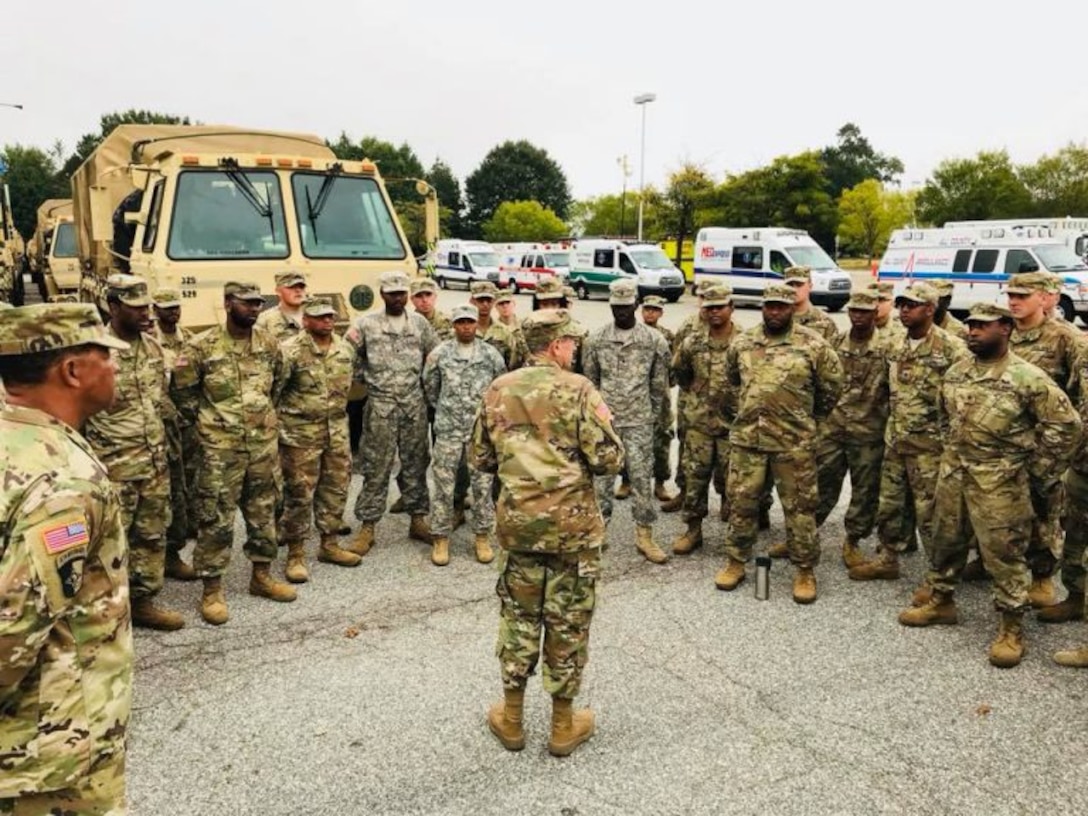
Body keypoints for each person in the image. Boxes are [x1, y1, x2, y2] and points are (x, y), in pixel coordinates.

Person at [471, 309, 624, 758]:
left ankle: (513, 719)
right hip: (571, 530)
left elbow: (479, 457)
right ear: (555, 345)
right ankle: (561, 726)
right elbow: (608, 459)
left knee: (519, 619)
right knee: (568, 620)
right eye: (571, 343)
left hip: (519, 528)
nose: (574, 350)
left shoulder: (500, 387)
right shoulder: (578, 390)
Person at [0, 303, 133, 814]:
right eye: (105, 355)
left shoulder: (16, 441)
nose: (117, 365)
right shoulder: (64, 481)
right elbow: (11, 632)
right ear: (73, 370)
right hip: (50, 759)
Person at [899, 302, 1081, 668]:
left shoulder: (1027, 377)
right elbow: (942, 416)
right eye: (970, 326)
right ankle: (942, 601)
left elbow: (1067, 426)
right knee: (945, 539)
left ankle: (1011, 627)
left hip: (1000, 482)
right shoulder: (957, 371)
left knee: (1004, 554)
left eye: (983, 326)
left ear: (1006, 329)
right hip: (955, 474)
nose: (973, 332)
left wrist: (1038, 471)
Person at [171, 281, 296, 625]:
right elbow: (183, 396)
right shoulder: (201, 348)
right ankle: (212, 589)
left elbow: (279, 385)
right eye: (246, 303)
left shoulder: (269, 345)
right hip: (218, 453)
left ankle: (262, 576)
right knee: (215, 519)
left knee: (263, 515)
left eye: (257, 303)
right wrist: (212, 426)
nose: (254, 309)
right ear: (227, 304)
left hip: (262, 449)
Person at [715, 284, 843, 603]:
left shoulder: (813, 344)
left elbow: (832, 388)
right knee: (741, 504)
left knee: (800, 508)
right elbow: (731, 384)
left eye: (781, 306)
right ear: (763, 307)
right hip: (748, 441)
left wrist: (806, 419)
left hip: (793, 442)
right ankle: (736, 561)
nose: (775, 312)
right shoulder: (743, 343)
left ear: (791, 308)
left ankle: (804, 569)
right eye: (769, 306)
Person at [849, 284, 967, 591]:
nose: (904, 311)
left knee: (932, 516)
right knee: (890, 505)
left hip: (931, 448)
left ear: (930, 308)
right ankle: (889, 557)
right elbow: (886, 391)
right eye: (901, 305)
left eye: (911, 305)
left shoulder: (952, 348)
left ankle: (937, 576)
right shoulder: (894, 345)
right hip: (897, 441)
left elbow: (963, 401)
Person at [84, 274, 184, 630]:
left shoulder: (154, 347)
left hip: (154, 463)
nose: (147, 314)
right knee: (108, 545)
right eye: (136, 308)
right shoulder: (94, 352)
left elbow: (161, 402)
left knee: (151, 536)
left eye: (147, 307)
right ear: (113, 307)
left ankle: (142, 602)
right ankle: (104, 613)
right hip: (113, 469)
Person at [1004, 271, 1084, 607]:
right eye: (1010, 295)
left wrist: (1066, 450)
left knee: (1043, 512)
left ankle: (1042, 576)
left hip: (1044, 444)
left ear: (1045, 298)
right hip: (1005, 442)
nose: (1014, 301)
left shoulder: (1066, 338)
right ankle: (990, 561)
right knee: (1001, 509)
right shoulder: (1001, 331)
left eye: (1023, 295)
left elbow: (1080, 398)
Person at [345, 271, 437, 554]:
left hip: (413, 407)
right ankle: (368, 527)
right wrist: (364, 378)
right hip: (380, 407)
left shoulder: (420, 324)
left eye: (401, 292)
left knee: (416, 464)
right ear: (382, 294)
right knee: (376, 466)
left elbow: (434, 357)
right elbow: (345, 355)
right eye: (391, 293)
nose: (397, 298)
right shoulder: (366, 324)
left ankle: (418, 519)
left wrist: (426, 389)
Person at [583, 278, 671, 564]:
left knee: (642, 479)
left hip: (639, 422)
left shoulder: (653, 340)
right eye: (616, 307)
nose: (621, 312)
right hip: (606, 422)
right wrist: (598, 418)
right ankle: (598, 532)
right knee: (602, 480)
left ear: (635, 304)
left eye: (626, 306)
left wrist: (653, 419)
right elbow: (591, 383)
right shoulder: (595, 339)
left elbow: (659, 387)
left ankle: (644, 534)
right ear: (611, 305)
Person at [276, 297, 362, 581]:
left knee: (335, 489)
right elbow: (274, 392)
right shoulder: (289, 352)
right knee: (299, 495)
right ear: (306, 321)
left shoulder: (344, 350)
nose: (327, 320)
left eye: (330, 316)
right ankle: (296, 554)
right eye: (319, 316)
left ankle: (329, 544)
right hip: (300, 435)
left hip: (336, 432)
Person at [423, 304, 506, 565]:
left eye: (470, 322)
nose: (466, 327)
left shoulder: (490, 354)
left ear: (476, 324)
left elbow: (499, 388)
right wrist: (447, 410)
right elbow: (430, 387)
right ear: (454, 325)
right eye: (461, 322)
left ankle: (482, 537)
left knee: (482, 487)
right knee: (444, 488)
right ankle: (440, 538)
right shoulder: (439, 354)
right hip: (447, 431)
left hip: (479, 433)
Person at [814, 290, 890, 570]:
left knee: (865, 491)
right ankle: (807, 534)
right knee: (822, 482)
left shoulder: (887, 347)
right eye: (854, 311)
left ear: (875, 313)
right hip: (833, 430)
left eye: (864, 312)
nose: (858, 317)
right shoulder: (833, 342)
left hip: (868, 433)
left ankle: (853, 539)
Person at [671, 283, 738, 555]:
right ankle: (693, 530)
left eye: (720, 307)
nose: (714, 313)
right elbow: (680, 373)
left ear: (731, 308)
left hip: (732, 426)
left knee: (734, 482)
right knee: (694, 478)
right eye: (709, 307)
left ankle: (735, 536)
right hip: (699, 424)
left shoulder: (745, 341)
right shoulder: (692, 342)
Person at [153, 287, 198, 581]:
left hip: (186, 422)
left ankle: (182, 537)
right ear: (155, 310)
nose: (173, 312)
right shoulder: (150, 343)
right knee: (160, 491)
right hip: (157, 427)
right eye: (166, 307)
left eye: (176, 307)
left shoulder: (191, 341)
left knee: (188, 480)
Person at [639, 294, 677, 502]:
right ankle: (627, 480)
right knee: (633, 440)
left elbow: (674, 366)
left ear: (661, 312)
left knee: (662, 440)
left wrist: (664, 386)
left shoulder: (669, 337)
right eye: (647, 309)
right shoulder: (633, 333)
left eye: (654, 309)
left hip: (661, 398)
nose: (650, 312)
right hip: (636, 395)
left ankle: (660, 483)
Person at [470, 281, 526, 370]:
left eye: (488, 300)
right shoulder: (463, 331)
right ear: (472, 301)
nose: (485, 304)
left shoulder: (504, 332)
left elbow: (512, 365)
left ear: (493, 301)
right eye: (480, 300)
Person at [783, 265, 838, 341]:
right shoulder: (778, 319)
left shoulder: (825, 322)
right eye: (790, 285)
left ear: (810, 286)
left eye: (799, 285)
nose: (794, 289)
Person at [256, 270, 307, 341]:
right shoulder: (265, 320)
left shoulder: (317, 316)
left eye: (301, 287)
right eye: (291, 287)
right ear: (278, 291)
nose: (298, 290)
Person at [410, 276, 453, 341]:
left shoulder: (448, 322)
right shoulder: (408, 323)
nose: (424, 300)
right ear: (412, 299)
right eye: (419, 296)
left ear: (435, 296)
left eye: (428, 294)